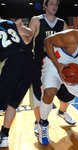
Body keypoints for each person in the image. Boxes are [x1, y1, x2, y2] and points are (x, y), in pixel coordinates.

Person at [22, 0, 76, 136]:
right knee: (38, 94)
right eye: (51, 4)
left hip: (57, 63)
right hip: (38, 63)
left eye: (56, 5)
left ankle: (62, 112)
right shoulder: (37, 20)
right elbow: (28, 39)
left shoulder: (61, 23)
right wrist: (21, 31)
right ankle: (38, 122)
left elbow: (68, 44)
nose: (54, 7)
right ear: (45, 6)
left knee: (69, 93)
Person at [0, 18, 34, 147]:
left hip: (12, 62)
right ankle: (4, 136)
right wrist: (18, 27)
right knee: (13, 103)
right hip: (28, 60)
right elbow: (29, 34)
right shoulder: (9, 24)